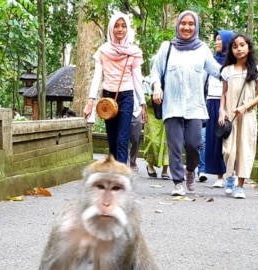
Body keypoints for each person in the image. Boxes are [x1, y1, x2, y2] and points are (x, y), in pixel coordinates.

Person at [150, 10, 221, 196]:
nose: (187, 27)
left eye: (191, 24)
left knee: (194, 144)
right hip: (171, 105)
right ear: (178, 25)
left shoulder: (202, 49)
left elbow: (216, 70)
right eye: (183, 23)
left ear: (196, 27)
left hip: (195, 106)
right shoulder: (167, 47)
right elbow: (155, 71)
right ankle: (178, 182)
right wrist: (157, 86)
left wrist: (240, 72)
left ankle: (190, 170)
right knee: (174, 145)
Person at [83, 12, 147, 165]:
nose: (120, 29)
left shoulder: (134, 52)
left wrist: (142, 103)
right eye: (117, 26)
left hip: (126, 96)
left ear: (128, 29)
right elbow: (97, 77)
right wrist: (90, 103)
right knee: (112, 139)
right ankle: (113, 171)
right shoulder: (103, 51)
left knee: (122, 138)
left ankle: (121, 176)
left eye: (124, 26)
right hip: (107, 98)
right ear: (111, 28)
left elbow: (137, 80)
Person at [219, 33, 258, 199]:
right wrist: (221, 111)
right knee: (228, 150)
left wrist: (245, 107)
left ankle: (240, 185)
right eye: (235, 46)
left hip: (247, 116)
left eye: (242, 45)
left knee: (245, 148)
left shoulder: (256, 71)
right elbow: (223, 93)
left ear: (249, 47)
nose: (238, 49)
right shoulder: (227, 71)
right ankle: (229, 176)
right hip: (230, 115)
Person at [204, 30, 234, 188]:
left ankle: (231, 174)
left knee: (227, 138)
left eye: (219, 40)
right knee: (214, 139)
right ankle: (219, 175)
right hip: (211, 101)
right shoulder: (211, 61)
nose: (216, 43)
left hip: (228, 103)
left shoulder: (234, 62)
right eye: (215, 40)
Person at [128, 98, 146, 171]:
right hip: (123, 110)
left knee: (136, 139)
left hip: (137, 111)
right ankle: (122, 161)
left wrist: (144, 110)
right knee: (122, 139)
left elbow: (143, 96)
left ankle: (133, 161)